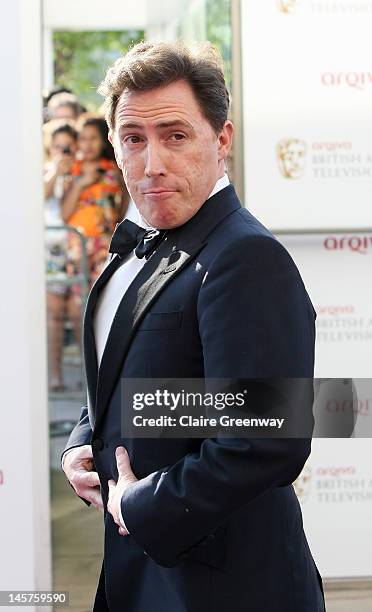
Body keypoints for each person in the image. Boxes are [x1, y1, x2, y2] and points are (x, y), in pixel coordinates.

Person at [62, 42, 325, 612]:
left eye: (175, 136)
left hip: (223, 585)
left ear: (222, 139)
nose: (152, 162)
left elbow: (264, 440)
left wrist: (140, 506)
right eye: (134, 139)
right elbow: (127, 371)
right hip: (146, 576)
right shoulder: (148, 241)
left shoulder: (245, 258)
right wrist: (86, 441)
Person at [61, 114, 129, 289]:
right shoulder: (72, 171)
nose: (88, 144)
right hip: (78, 242)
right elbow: (64, 214)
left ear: (104, 140)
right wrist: (81, 184)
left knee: (103, 290)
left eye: (93, 138)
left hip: (106, 242)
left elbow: (121, 207)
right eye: (83, 138)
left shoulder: (113, 170)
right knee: (79, 296)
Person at [44, 121, 79, 391]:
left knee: (78, 311)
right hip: (51, 249)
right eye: (58, 146)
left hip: (75, 248)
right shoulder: (45, 170)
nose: (63, 152)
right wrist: (56, 171)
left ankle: (88, 376)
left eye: (68, 146)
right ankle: (54, 376)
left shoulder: (81, 171)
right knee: (54, 315)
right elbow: (39, 196)